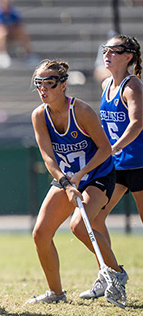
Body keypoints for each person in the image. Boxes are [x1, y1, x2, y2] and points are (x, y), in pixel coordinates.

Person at [26, 59, 128, 306]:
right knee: (40, 234)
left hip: (97, 175)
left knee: (80, 226)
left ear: (62, 85)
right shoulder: (39, 115)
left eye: (49, 84)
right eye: (39, 84)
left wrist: (80, 175)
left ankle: (116, 274)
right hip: (67, 179)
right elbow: (48, 157)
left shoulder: (80, 111)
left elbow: (105, 149)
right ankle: (56, 293)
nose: (43, 90)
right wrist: (67, 183)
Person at [79, 34, 141, 300]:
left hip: (139, 165)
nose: (107, 55)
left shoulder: (133, 86)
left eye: (114, 51)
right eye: (105, 50)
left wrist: (115, 146)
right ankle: (108, 276)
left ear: (128, 56)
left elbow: (137, 123)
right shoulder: (106, 84)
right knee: (93, 220)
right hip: (115, 166)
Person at [0, 0, 36, 69]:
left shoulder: (12, 11)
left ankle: (29, 54)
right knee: (2, 32)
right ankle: (2, 54)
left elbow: (19, 25)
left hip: (9, 36)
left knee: (21, 31)